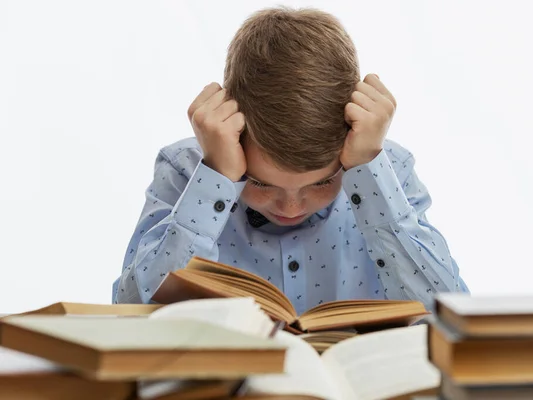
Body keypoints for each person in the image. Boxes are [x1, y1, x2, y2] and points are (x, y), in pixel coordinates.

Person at [113, 6, 469, 313]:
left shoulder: (385, 169)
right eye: (261, 183)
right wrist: (217, 177)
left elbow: (449, 313)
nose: (291, 206)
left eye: (322, 182)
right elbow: (129, 314)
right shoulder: (188, 170)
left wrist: (368, 171)